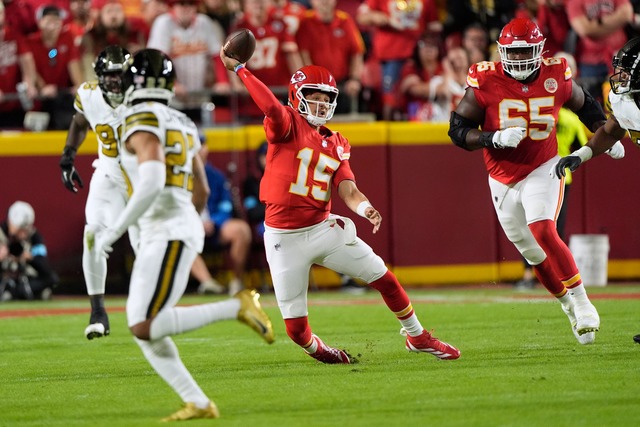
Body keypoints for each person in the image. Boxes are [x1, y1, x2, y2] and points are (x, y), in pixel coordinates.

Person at [220, 48, 460, 364]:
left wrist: (365, 208)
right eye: (313, 96)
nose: (320, 103)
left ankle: (417, 336)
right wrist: (241, 70)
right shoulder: (287, 123)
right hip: (283, 237)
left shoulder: (337, 142)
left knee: (385, 278)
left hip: (322, 229)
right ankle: (319, 349)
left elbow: (347, 188)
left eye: (325, 97)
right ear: (296, 95)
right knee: (296, 331)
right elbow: (270, 107)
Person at [91, 48, 274, 421]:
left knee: (144, 324)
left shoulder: (137, 117)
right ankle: (199, 402)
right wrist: (181, 219)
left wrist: (120, 226)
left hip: (166, 229)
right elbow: (203, 190)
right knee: (143, 325)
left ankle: (235, 306)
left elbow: (155, 179)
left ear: (135, 81)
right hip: (172, 225)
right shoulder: (183, 122)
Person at [448, 17, 607, 345]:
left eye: (525, 52)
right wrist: (493, 138)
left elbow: (584, 104)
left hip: (544, 166)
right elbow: (457, 130)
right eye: (514, 52)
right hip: (501, 178)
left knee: (543, 228)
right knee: (533, 254)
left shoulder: (555, 74)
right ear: (503, 51)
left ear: (539, 49)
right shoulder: (485, 80)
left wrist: (606, 132)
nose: (519, 59)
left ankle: (582, 301)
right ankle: (567, 305)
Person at [59, 45, 131, 340]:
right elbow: (79, 122)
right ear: (100, 76)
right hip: (111, 174)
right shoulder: (88, 94)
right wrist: (67, 156)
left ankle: (156, 309)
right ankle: (98, 312)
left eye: (120, 75)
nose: (115, 81)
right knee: (93, 236)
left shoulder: (144, 95)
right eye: (110, 76)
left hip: (146, 179)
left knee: (152, 246)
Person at [191, 141, 253, 296]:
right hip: (190, 227)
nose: (199, 150)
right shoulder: (179, 175)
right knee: (179, 235)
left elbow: (226, 206)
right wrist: (196, 223)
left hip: (215, 227)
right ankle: (208, 283)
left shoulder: (216, 176)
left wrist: (214, 221)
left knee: (241, 230)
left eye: (201, 145)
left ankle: (236, 281)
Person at [0, 201, 58, 301]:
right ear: (10, 222)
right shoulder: (1, 234)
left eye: (25, 229)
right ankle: (16, 293)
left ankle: (15, 293)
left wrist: (30, 257)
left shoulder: (34, 237)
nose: (23, 234)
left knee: (52, 279)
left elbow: (45, 267)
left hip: (25, 279)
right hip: (4, 279)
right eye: (19, 229)